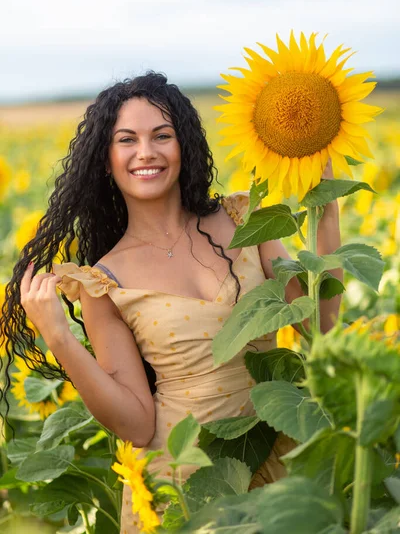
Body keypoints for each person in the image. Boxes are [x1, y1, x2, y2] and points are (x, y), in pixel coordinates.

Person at [1, 72, 341, 533]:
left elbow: (321, 319)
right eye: (127, 140)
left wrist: (328, 203)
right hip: (181, 481)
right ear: (106, 159)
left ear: (185, 147)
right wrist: (59, 337)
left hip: (273, 451)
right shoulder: (105, 281)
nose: (147, 152)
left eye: (163, 135)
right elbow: (137, 425)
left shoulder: (247, 220)